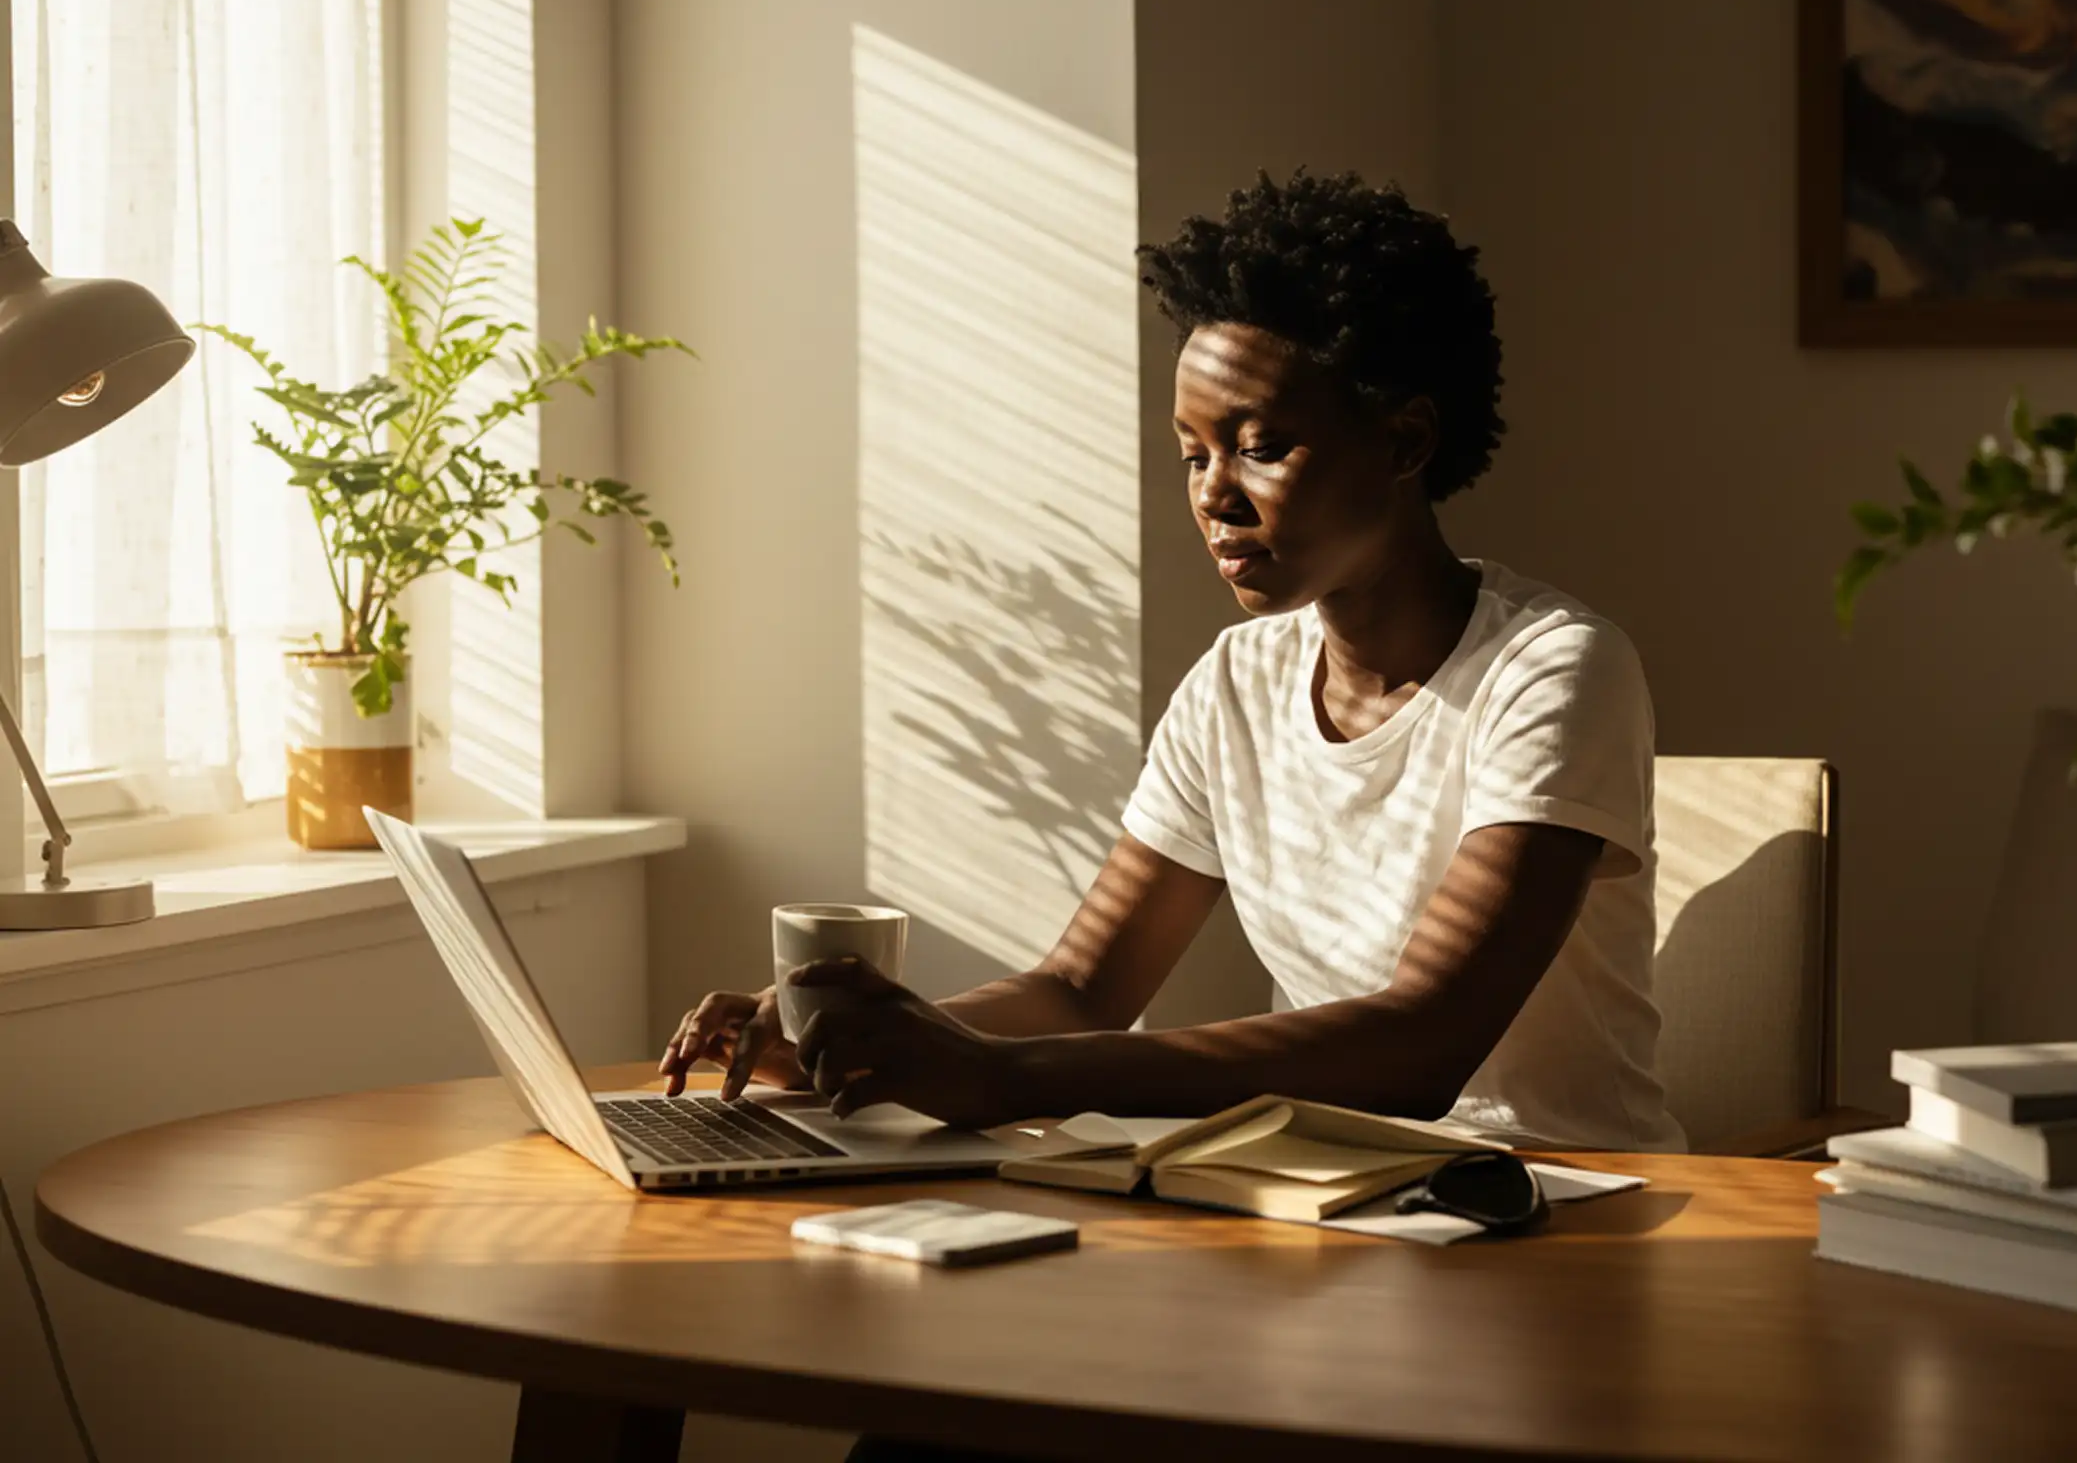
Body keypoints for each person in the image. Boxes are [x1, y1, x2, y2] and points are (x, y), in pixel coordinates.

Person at [659, 168, 1683, 1163]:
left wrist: (1003, 1078)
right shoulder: (1237, 685)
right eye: (1194, 453)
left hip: (1553, 1206)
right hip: (1328, 1200)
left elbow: (1423, 1046)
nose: (1214, 494)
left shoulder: (1554, 672)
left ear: (1405, 439)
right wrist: (869, 1043)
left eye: (1262, 445)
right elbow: (1078, 990)